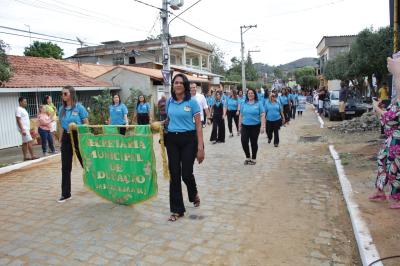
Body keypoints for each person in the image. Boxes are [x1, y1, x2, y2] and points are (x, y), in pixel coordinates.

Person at [164, 73, 205, 221]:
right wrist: (161, 126)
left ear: (185, 85)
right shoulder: (169, 102)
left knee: (186, 173)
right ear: (173, 86)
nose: (178, 85)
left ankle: (193, 193)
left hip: (189, 139)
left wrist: (200, 148)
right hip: (172, 140)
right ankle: (177, 210)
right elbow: (168, 119)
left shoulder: (192, 102)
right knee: (174, 174)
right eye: (176, 83)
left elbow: (199, 126)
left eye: (181, 83)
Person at [369, 57, 400, 209]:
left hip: (397, 140)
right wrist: (379, 109)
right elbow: (388, 117)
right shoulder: (397, 97)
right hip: (392, 138)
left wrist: (377, 108)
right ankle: (380, 190)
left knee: (395, 167)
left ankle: (396, 197)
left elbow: (390, 117)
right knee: (382, 160)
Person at [58, 86, 89, 202]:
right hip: (66, 137)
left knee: (85, 162)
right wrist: (60, 139)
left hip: (78, 136)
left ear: (71, 94)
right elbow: (61, 125)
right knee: (65, 166)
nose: (63, 96)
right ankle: (66, 194)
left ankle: (96, 184)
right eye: (62, 94)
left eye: (65, 93)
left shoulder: (79, 107)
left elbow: (87, 124)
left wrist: (77, 127)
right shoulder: (61, 109)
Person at [239, 88, 265, 165]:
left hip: (255, 126)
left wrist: (262, 126)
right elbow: (241, 115)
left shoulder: (258, 103)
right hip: (245, 126)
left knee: (253, 142)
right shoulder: (244, 103)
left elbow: (262, 115)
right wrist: (239, 125)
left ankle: (253, 158)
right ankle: (247, 157)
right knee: (244, 141)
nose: (250, 94)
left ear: (254, 94)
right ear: (247, 94)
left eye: (252, 93)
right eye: (249, 93)